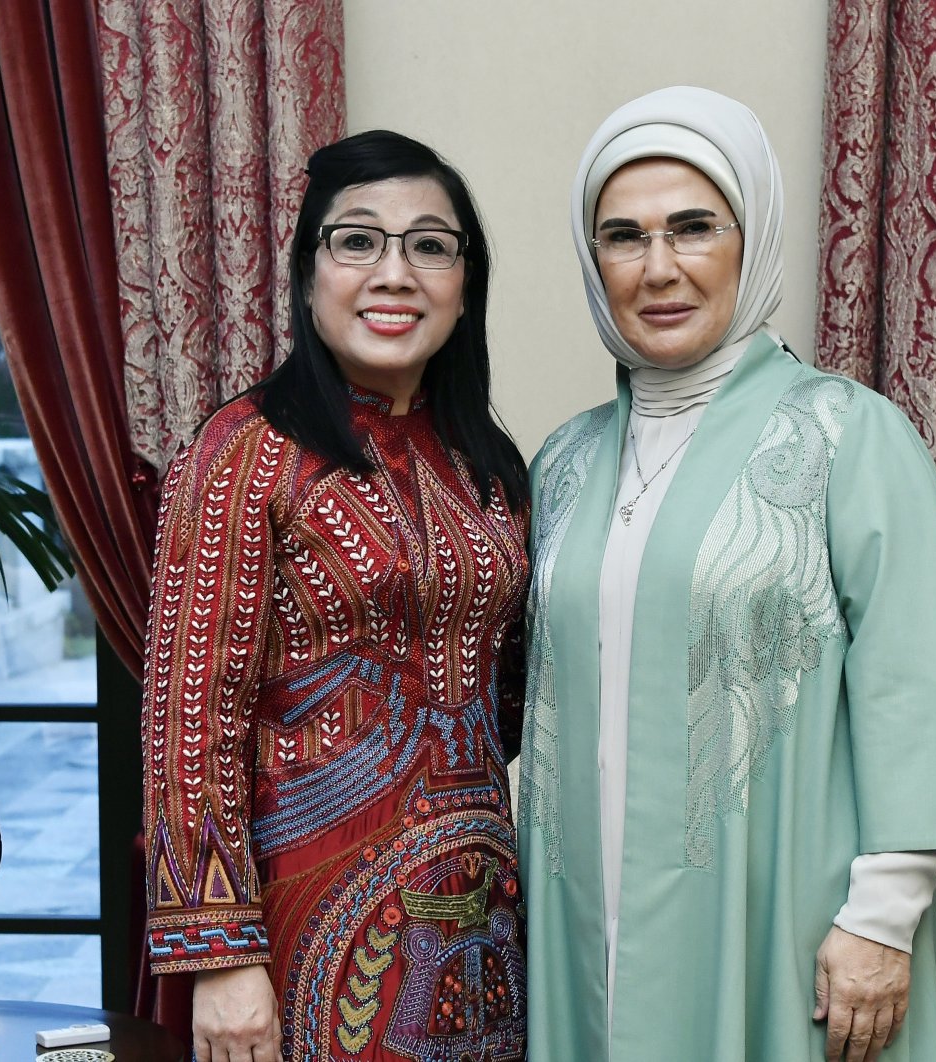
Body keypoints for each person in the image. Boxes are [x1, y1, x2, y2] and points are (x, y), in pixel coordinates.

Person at [518, 86, 936, 1062]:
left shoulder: (847, 434)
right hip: (582, 916)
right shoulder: (563, 462)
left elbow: (917, 683)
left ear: (753, 237)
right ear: (591, 259)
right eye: (623, 236)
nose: (658, 268)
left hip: (787, 915)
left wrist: (884, 915)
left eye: (693, 227)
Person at [141, 130, 530, 1062]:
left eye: (430, 245)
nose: (394, 273)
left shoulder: (490, 467)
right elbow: (187, 721)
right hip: (295, 928)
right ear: (308, 272)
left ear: (465, 283)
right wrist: (220, 956)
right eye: (356, 241)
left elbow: (509, 699)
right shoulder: (243, 451)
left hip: (484, 920)